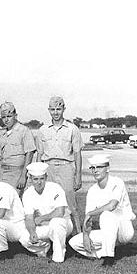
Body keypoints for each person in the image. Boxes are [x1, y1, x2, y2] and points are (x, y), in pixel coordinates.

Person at [69, 154, 136, 266]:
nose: (95, 171)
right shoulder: (92, 190)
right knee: (74, 242)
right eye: (93, 168)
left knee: (106, 215)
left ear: (107, 168)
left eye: (99, 167)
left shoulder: (117, 182)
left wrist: (91, 213)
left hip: (124, 230)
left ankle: (109, 258)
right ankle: (107, 252)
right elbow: (88, 218)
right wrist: (86, 236)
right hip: (109, 231)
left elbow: (112, 206)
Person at [35, 96, 83, 233]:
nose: (56, 112)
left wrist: (78, 176)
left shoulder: (72, 129)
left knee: (71, 204)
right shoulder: (43, 130)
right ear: (49, 110)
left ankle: (78, 236)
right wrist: (37, 174)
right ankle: (48, 236)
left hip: (65, 167)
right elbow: (39, 154)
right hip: (47, 168)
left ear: (64, 109)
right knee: (48, 203)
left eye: (58, 109)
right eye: (52, 109)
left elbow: (77, 154)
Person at [21, 162, 73, 263]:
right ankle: (44, 248)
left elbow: (60, 212)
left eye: (42, 178)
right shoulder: (27, 194)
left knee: (56, 223)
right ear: (30, 179)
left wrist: (41, 218)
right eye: (35, 179)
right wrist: (32, 232)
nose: (39, 182)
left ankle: (58, 257)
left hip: (64, 224)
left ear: (46, 177)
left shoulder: (55, 188)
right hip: (44, 227)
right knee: (23, 238)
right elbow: (28, 217)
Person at [0, 101, 36, 193]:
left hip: (18, 173)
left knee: (17, 202)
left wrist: (23, 176)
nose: (6, 120)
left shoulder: (24, 131)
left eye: (9, 116)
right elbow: (0, 159)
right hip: (4, 174)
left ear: (15, 115)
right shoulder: (3, 135)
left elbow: (29, 155)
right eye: (3, 117)